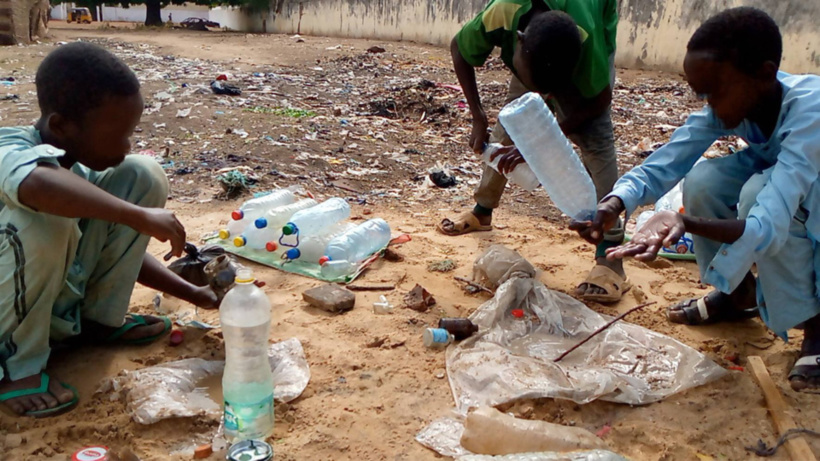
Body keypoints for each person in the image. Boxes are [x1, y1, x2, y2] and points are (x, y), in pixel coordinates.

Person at [579, 7, 820, 392]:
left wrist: (686, 223)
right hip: (791, 182)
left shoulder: (811, 112)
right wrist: (614, 204)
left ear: (764, 73)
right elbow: (664, 163)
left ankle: (816, 327)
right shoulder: (738, 102)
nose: (709, 105)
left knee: (761, 195)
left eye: (714, 92)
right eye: (702, 95)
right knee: (705, 179)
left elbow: (767, 224)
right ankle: (737, 295)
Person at [0, 42, 218, 417]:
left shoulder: (79, 167)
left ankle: (97, 322)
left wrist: (193, 292)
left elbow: (111, 246)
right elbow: (36, 187)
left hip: (46, 303)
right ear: (61, 126)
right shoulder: (8, 148)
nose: (127, 143)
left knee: (141, 174)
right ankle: (13, 367)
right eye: (118, 133)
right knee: (47, 214)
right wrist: (137, 216)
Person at [438, 0, 628, 303]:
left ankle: (611, 258)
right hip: (535, 59)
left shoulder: (584, 39)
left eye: (550, 92)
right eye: (539, 90)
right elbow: (459, 48)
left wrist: (544, 139)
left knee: (597, 145)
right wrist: (478, 115)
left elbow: (599, 99)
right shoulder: (504, 10)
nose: (546, 98)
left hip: (573, 60)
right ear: (519, 38)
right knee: (509, 128)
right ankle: (482, 211)